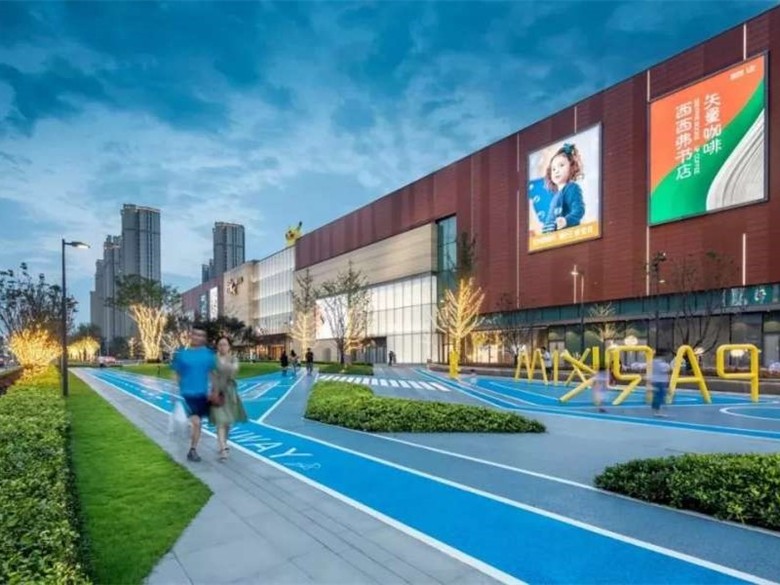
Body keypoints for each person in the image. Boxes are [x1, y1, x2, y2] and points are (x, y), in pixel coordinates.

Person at [171, 329, 216, 462]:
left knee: (197, 423)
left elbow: (212, 374)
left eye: (201, 335)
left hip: (201, 396)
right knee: (196, 422)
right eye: (196, 334)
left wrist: (214, 391)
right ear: (191, 336)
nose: (198, 337)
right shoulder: (183, 355)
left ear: (204, 338)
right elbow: (177, 374)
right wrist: (174, 391)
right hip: (186, 395)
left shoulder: (208, 355)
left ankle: (192, 450)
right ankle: (191, 447)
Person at [210, 337, 248, 461]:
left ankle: (224, 442)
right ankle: (223, 448)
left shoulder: (233, 359)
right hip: (217, 392)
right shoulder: (213, 360)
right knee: (220, 421)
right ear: (217, 346)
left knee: (227, 422)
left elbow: (234, 370)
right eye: (220, 344)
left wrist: (226, 367)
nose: (223, 347)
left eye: (225, 344)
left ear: (229, 346)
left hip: (230, 393)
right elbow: (212, 376)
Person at [541, 143, 585, 234]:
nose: (556, 171)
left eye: (561, 165)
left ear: (572, 167)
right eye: (553, 169)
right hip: (557, 236)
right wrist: (546, 229)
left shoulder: (572, 188)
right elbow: (550, 218)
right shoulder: (555, 196)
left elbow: (579, 210)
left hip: (570, 234)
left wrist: (566, 220)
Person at [650, 350, 672, 417]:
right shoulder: (661, 363)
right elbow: (666, 369)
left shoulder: (653, 362)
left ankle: (656, 410)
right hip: (661, 381)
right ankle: (658, 411)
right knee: (660, 396)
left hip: (655, 380)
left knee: (657, 395)